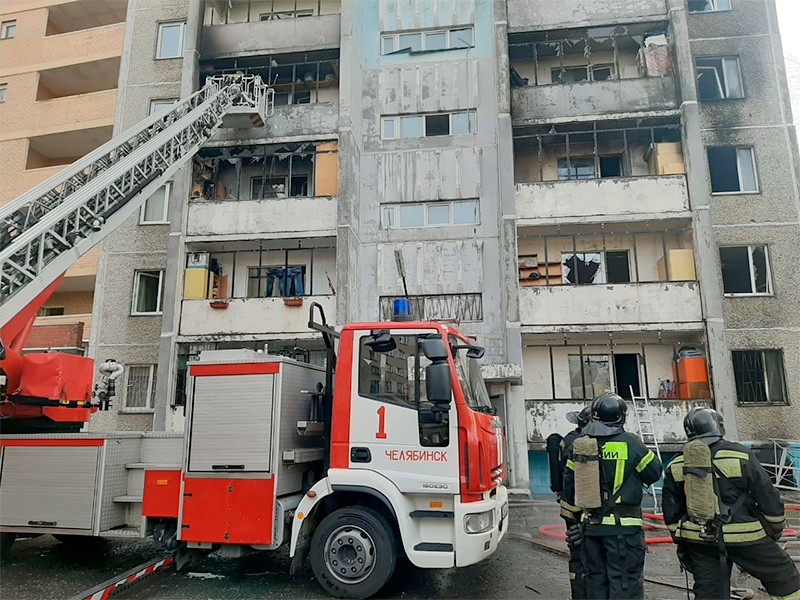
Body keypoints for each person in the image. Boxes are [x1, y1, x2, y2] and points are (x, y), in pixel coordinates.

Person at [662, 407, 800, 600]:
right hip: (745, 535)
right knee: (784, 577)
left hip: (700, 540)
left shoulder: (676, 463)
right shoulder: (740, 455)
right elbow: (767, 495)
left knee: (709, 593)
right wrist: (775, 528)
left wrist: (683, 541)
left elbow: (671, 509)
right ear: (717, 427)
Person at [563, 393, 662, 600]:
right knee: (624, 584)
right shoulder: (631, 444)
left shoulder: (580, 446)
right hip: (624, 531)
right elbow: (654, 473)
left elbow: (569, 489)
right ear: (620, 417)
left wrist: (576, 524)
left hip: (590, 530)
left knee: (595, 583)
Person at [546, 406, 591, 599]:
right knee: (588, 554)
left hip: (568, 507)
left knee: (577, 555)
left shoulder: (568, 440)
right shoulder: (585, 444)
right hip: (585, 508)